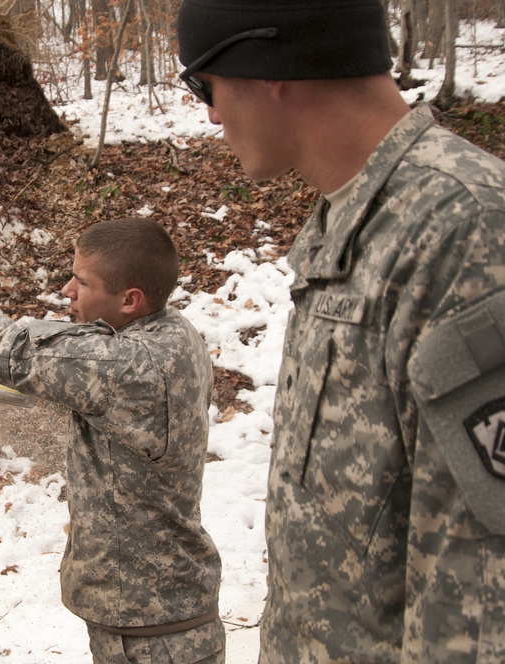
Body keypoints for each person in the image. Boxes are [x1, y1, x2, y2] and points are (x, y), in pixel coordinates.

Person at [176, 1, 505, 662]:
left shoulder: (465, 235)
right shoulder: (356, 221)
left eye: (203, 86)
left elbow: (481, 608)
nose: (210, 114)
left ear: (269, 67)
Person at [0, 217, 225, 663]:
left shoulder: (133, 365)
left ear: (131, 299)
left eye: (81, 282)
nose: (66, 290)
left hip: (153, 636)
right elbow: (63, 351)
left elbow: (17, 351)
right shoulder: (166, 331)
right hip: (152, 619)